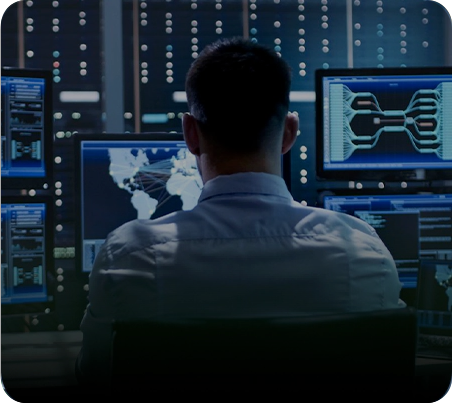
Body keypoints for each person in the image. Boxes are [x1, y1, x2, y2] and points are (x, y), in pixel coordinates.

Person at [75, 37, 405, 387]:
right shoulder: (362, 252)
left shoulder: (131, 255)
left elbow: (94, 378)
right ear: (289, 133)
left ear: (190, 133)